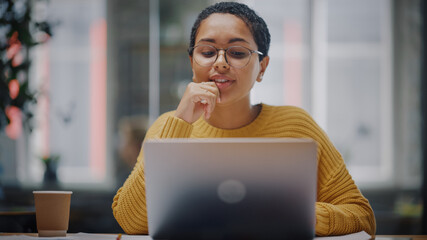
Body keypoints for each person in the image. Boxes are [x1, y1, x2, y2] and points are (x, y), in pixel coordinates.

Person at [112, 1, 376, 236]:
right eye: (207, 52)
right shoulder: (167, 126)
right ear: (192, 62)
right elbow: (129, 221)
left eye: (237, 53)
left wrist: (301, 215)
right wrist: (181, 121)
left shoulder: (297, 125)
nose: (220, 63)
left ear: (262, 67)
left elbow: (362, 216)